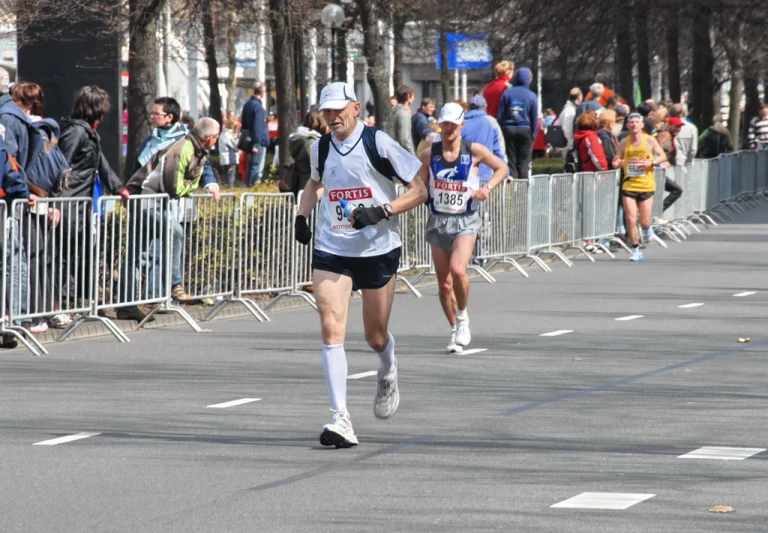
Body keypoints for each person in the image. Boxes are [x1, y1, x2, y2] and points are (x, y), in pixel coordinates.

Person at [293, 82, 427, 448]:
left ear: (355, 107)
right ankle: (341, 418)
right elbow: (315, 182)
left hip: (377, 248)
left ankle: (387, 366)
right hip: (333, 247)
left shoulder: (377, 142)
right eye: (326, 111)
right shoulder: (320, 146)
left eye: (338, 109)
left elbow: (419, 190)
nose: (332, 117)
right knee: (330, 325)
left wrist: (381, 210)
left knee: (375, 336)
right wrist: (303, 214)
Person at [420, 102, 507, 353]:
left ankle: (463, 317)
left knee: (458, 271)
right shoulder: (429, 152)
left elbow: (501, 168)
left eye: (453, 124)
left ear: (462, 125)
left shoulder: (475, 150)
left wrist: (487, 187)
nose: (448, 128)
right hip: (438, 220)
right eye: (444, 123)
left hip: (465, 219)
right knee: (444, 284)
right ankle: (454, 328)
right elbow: (418, 182)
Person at [118, 118, 222, 319]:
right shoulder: (183, 149)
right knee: (173, 232)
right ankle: (173, 285)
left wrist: (192, 186)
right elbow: (172, 187)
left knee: (144, 252)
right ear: (209, 138)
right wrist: (191, 188)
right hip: (144, 199)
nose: (216, 140)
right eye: (216, 137)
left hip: (155, 201)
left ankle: (147, 301)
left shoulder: (196, 150)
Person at [58, 86, 124, 308]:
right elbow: (60, 166)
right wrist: (56, 201)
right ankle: (61, 302)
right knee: (64, 255)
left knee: (77, 253)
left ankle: (73, 300)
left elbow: (102, 167)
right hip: (68, 203)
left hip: (80, 204)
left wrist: (120, 189)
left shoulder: (89, 133)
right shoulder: (76, 132)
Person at [612, 113, 667, 262]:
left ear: (642, 125)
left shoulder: (649, 140)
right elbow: (616, 158)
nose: (634, 124)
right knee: (630, 219)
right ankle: (636, 249)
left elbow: (663, 156)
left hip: (646, 184)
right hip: (629, 183)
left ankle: (648, 228)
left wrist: (652, 163)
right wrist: (616, 163)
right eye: (631, 122)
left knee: (644, 221)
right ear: (628, 125)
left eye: (637, 122)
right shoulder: (624, 142)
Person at [497, 67, 538, 180]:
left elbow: (500, 114)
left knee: (511, 160)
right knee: (524, 161)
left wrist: (501, 130)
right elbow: (534, 118)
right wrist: (533, 135)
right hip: (525, 129)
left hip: (508, 129)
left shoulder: (506, 94)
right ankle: (523, 190)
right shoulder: (532, 96)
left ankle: (512, 187)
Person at [287, 108, 329, 194]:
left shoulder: (310, 140)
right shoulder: (311, 143)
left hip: (309, 187)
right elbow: (321, 167)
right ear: (321, 123)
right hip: (311, 190)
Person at [240, 83, 270, 186]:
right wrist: (257, 143)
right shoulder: (258, 107)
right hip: (257, 143)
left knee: (250, 167)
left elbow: (244, 124)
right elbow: (258, 127)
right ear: (262, 92)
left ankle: (248, 189)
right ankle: (252, 192)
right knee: (257, 170)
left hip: (248, 141)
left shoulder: (247, 104)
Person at [391, 84, 416, 155]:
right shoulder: (403, 114)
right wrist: (413, 157)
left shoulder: (395, 111)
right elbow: (404, 139)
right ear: (408, 96)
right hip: (403, 156)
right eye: (413, 96)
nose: (414, 98)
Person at [218, 116, 239, 187]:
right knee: (231, 179)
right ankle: (230, 194)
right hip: (230, 158)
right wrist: (236, 138)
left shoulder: (222, 133)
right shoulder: (229, 135)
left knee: (226, 178)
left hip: (223, 158)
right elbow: (236, 146)